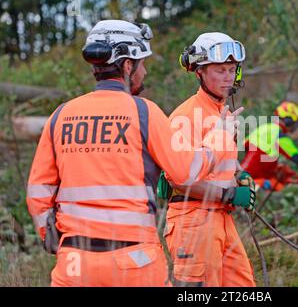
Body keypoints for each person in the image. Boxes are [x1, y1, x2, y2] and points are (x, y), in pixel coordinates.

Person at [26, 20, 241, 287]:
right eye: (142, 63)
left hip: (74, 262)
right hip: (135, 260)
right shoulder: (143, 112)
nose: (145, 71)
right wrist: (220, 134)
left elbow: (38, 190)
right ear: (128, 66)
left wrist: (51, 236)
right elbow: (186, 170)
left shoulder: (61, 115)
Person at [161, 32, 256, 286]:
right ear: (199, 72)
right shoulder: (185, 116)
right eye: (220, 70)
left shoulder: (222, 113)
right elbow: (179, 178)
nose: (228, 77)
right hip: (192, 220)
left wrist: (240, 175)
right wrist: (227, 195)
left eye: (232, 69)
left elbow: (217, 159)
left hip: (221, 219)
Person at [241, 101, 298, 192]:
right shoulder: (279, 135)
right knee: (282, 188)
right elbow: (297, 156)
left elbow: (244, 144)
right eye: (295, 123)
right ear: (288, 121)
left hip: (245, 171)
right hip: (256, 179)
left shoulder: (264, 127)